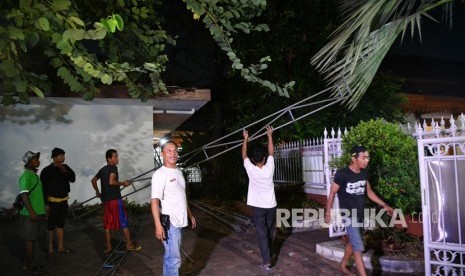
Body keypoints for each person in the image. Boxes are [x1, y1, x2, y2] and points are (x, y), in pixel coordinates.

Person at [325, 145, 394, 276]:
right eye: (364, 157)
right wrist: (328, 212)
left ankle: (343, 265)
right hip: (349, 214)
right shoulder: (342, 174)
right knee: (358, 247)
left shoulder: (364, 172)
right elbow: (332, 193)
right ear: (354, 158)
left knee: (353, 242)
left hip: (360, 213)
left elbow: (368, 191)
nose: (367, 160)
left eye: (368, 157)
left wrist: (385, 205)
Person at [151, 140, 196, 276]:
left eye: (175, 150)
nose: (173, 153)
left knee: (171, 256)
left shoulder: (179, 172)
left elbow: (182, 196)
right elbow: (154, 201)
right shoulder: (160, 174)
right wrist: (158, 225)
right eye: (169, 150)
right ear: (163, 154)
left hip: (180, 221)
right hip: (170, 224)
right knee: (173, 259)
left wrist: (190, 214)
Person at [90, 149, 141, 254]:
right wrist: (123, 183)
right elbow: (111, 182)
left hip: (106, 201)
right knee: (124, 221)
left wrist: (98, 192)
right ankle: (129, 244)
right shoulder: (113, 168)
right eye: (115, 157)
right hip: (115, 199)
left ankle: (109, 246)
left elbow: (93, 180)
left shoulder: (103, 169)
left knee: (108, 223)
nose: (117, 159)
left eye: (117, 156)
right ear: (109, 158)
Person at [242, 126, 276, 272]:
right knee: (269, 231)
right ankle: (270, 253)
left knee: (262, 234)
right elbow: (271, 152)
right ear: (263, 159)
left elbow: (243, 155)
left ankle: (267, 261)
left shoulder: (251, 169)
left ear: (254, 160)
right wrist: (270, 136)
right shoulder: (269, 168)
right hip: (271, 206)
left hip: (258, 208)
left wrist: (245, 140)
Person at [40, 147, 76, 260]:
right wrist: (46, 204)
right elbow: (43, 189)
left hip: (64, 199)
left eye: (64, 155)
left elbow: (73, 179)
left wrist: (65, 171)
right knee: (51, 225)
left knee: (61, 224)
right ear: (54, 157)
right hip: (52, 201)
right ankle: (50, 249)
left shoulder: (66, 168)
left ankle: (60, 247)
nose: (63, 157)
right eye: (61, 155)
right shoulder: (46, 171)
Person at [18, 151, 47, 274]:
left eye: (37, 159)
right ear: (29, 162)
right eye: (35, 159)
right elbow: (24, 195)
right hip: (31, 214)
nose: (38, 161)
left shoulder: (33, 175)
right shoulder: (26, 176)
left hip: (36, 212)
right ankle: (31, 266)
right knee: (30, 241)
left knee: (31, 240)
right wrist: (32, 212)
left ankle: (27, 264)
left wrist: (44, 207)